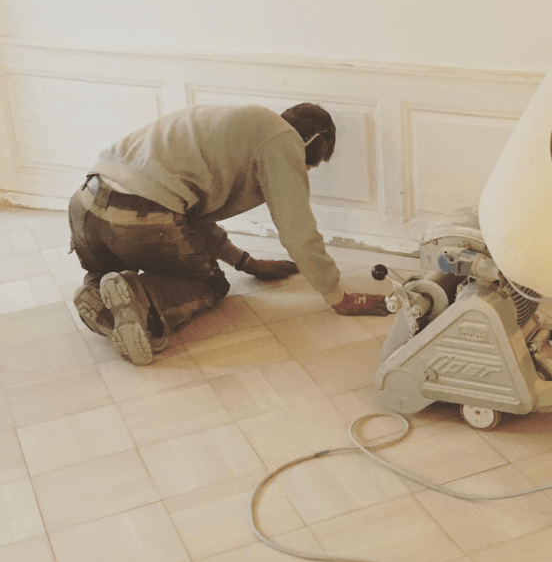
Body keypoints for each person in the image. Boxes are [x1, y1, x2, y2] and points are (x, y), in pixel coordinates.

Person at [68, 102, 388, 365]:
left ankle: (97, 292)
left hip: (86, 203)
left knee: (111, 269)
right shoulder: (282, 140)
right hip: (138, 217)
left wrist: (244, 262)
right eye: (309, 167)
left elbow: (187, 216)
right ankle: (143, 299)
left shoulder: (235, 121)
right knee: (211, 283)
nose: (303, 173)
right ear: (309, 146)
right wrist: (336, 294)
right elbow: (297, 228)